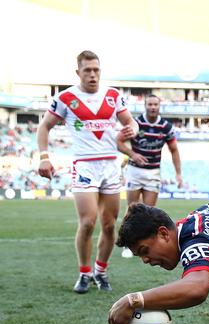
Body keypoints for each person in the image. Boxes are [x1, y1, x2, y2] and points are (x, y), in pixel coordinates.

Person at [37, 50, 139, 294]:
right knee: (88, 222)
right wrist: (43, 158)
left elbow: (130, 122)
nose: (92, 75)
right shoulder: (65, 98)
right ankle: (84, 274)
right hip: (84, 166)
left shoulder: (113, 96)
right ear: (78, 72)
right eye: (87, 71)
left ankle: (100, 272)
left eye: (96, 70)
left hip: (111, 166)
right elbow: (44, 127)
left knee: (109, 224)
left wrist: (132, 129)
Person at [118, 94, 182, 258]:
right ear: (145, 106)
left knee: (149, 212)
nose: (153, 107)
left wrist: (178, 174)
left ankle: (149, 245)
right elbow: (118, 142)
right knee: (132, 209)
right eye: (150, 104)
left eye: (155, 104)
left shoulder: (166, 126)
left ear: (159, 106)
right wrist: (132, 154)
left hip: (153, 172)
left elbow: (174, 150)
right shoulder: (136, 123)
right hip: (134, 171)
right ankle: (128, 244)